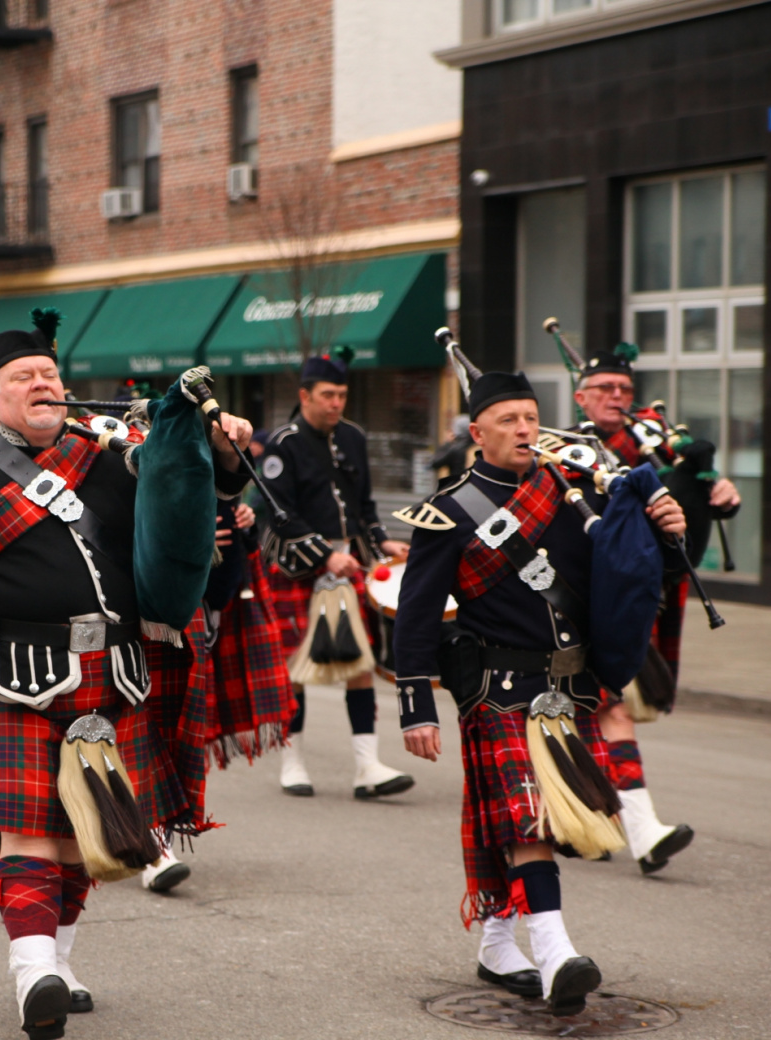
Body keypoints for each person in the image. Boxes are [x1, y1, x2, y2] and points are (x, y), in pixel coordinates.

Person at [0, 312, 251, 1040]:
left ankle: (57, 966)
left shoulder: (114, 455)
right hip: (10, 673)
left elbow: (181, 506)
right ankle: (32, 972)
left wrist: (217, 454)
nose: (42, 386)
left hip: (112, 671)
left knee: (79, 838)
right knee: (28, 832)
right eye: (24, 379)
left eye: (51, 378)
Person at [391, 361, 685, 1016]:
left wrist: (665, 538)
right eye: (509, 421)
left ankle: (499, 942)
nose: (525, 430)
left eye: (531, 418)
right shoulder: (448, 514)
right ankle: (555, 954)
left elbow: (622, 577)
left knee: (524, 819)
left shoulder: (574, 496)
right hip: (495, 687)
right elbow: (414, 616)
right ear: (478, 433)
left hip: (566, 689)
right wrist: (416, 705)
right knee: (530, 818)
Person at [571, 343, 736, 874]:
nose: (616, 397)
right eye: (605, 389)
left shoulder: (660, 451)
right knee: (600, 709)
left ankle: (596, 822)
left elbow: (691, 501)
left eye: (624, 389)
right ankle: (637, 829)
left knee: (596, 711)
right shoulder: (565, 451)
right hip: (579, 596)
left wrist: (720, 494)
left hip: (639, 598)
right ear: (582, 397)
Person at [259, 348, 413, 800]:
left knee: (359, 664)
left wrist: (382, 540)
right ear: (304, 395)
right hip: (298, 568)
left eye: (342, 395)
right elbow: (278, 514)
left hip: (351, 566)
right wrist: (324, 555)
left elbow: (363, 504)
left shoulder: (354, 437)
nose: (336, 403)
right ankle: (293, 761)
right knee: (296, 669)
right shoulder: (283, 444)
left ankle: (367, 766)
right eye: (328, 395)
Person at [141, 497, 291, 895]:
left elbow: (234, 549)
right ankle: (155, 847)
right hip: (148, 609)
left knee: (179, 729)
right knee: (152, 726)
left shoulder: (214, 466)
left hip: (206, 614)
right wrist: (185, 538)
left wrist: (245, 528)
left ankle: (158, 841)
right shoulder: (140, 448)